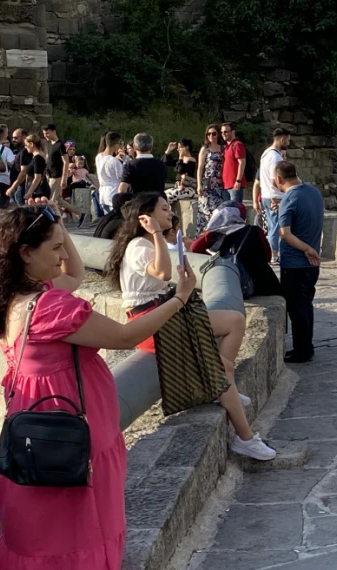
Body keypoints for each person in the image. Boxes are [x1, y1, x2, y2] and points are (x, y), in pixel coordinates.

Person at [0, 202, 200, 570]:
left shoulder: (15, 296)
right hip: (75, 423)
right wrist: (180, 296)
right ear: (25, 252)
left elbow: (73, 271)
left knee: (43, 519)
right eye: (54, 248)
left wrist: (57, 226)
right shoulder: (50, 306)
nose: (62, 257)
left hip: (36, 425)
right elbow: (126, 335)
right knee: (82, 519)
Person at [103, 194, 276, 460]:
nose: (170, 214)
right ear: (145, 217)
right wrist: (158, 234)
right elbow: (161, 273)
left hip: (163, 313)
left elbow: (167, 278)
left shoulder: (146, 243)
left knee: (234, 322)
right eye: (164, 209)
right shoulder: (139, 244)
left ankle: (220, 379)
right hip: (152, 323)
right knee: (224, 371)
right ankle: (245, 437)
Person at [274, 161, 324, 363]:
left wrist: (306, 248)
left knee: (297, 309)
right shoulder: (313, 193)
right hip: (312, 266)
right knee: (306, 305)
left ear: (278, 179)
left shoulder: (289, 198)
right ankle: (306, 345)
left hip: (295, 263)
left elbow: (285, 233)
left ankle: (302, 350)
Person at [190, 202, 282, 297]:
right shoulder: (255, 230)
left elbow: (195, 248)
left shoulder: (217, 235)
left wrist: (211, 231)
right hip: (263, 284)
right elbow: (267, 257)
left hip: (235, 284)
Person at [253, 128, 291, 264]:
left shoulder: (265, 154)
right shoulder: (276, 157)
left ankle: (272, 253)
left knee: (271, 225)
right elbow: (274, 179)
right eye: (287, 140)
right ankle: (274, 254)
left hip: (266, 195)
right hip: (275, 196)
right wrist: (286, 190)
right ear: (282, 139)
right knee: (277, 226)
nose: (288, 143)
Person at [196, 124, 225, 229]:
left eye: (213, 133)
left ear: (218, 135)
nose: (211, 136)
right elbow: (200, 168)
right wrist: (199, 185)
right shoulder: (205, 149)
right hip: (208, 184)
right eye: (208, 134)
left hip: (220, 185)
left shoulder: (223, 148)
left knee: (218, 213)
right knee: (206, 212)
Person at [221, 123, 253, 204]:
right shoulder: (226, 147)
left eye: (226, 132)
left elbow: (242, 162)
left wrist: (238, 180)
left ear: (233, 132)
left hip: (235, 185)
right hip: (226, 185)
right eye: (222, 132)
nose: (223, 134)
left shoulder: (237, 145)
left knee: (234, 212)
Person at [96, 132, 127, 212]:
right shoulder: (114, 161)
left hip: (102, 193)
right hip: (113, 193)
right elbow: (122, 177)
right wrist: (124, 161)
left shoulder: (98, 157)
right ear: (116, 144)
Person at [164, 139, 197, 204]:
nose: (178, 149)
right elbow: (165, 162)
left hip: (188, 189)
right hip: (178, 187)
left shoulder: (191, 161)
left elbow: (180, 170)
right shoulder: (181, 160)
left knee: (167, 198)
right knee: (161, 195)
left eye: (180, 147)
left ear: (186, 147)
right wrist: (168, 150)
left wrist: (180, 158)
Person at [21, 134, 52, 202]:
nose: (25, 147)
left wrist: (29, 192)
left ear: (31, 144)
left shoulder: (38, 158)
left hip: (39, 191)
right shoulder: (38, 156)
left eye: (26, 145)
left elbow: (37, 177)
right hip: (38, 189)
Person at [0, 125, 16, 208]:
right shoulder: (6, 150)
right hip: (2, 180)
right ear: (3, 136)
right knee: (1, 207)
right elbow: (10, 163)